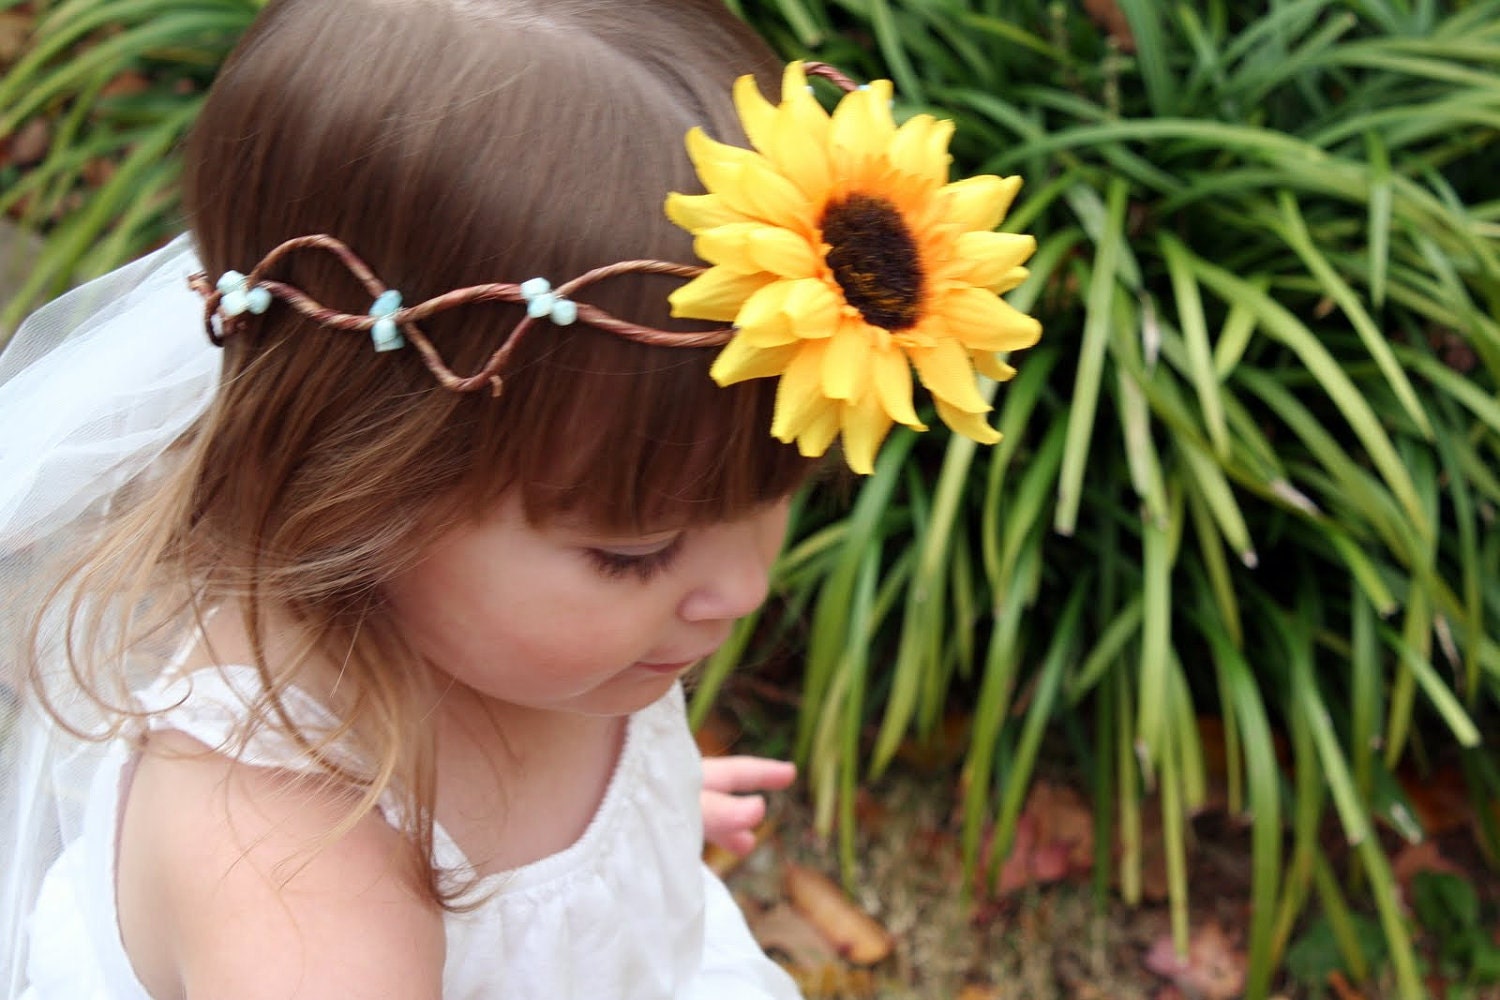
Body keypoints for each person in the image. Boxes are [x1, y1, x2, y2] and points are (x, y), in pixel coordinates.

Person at [0, 0, 1042, 995]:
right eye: (636, 550)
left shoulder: (535, 632)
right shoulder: (296, 884)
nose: (740, 587)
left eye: (773, 496)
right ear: (351, 487)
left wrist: (617, 845)